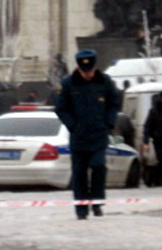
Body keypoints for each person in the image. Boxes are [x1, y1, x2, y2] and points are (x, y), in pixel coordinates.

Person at [55, 49, 120, 220]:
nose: (88, 74)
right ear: (79, 69)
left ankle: (97, 202)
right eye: (85, 72)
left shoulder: (105, 82)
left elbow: (114, 103)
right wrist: (73, 126)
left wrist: (109, 123)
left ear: (94, 67)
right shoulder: (69, 84)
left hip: (99, 134)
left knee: (98, 166)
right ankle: (81, 208)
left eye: (90, 71)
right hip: (79, 136)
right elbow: (61, 108)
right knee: (79, 172)